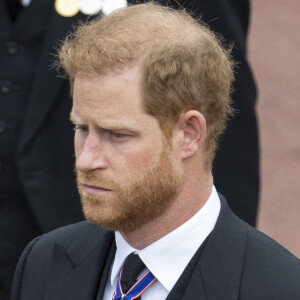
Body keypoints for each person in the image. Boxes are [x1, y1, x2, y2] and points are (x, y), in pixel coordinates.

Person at [11, 3, 299, 300]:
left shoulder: (281, 289)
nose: (86, 160)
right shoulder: (42, 264)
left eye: (117, 135)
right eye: (82, 129)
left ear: (189, 134)